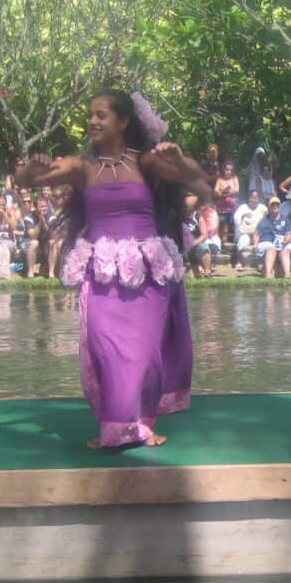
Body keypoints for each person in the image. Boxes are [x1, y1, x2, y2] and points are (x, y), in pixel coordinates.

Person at [15, 89, 198, 448]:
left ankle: (141, 425)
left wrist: (179, 157)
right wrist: (30, 171)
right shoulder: (82, 167)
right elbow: (26, 181)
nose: (93, 122)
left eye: (101, 115)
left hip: (145, 271)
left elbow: (189, 176)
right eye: (91, 116)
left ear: (123, 121)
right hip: (101, 272)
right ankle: (115, 424)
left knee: (144, 354)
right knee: (103, 347)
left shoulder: (143, 163)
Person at [255, 196, 291, 278]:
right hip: (267, 242)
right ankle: (268, 274)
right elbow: (256, 234)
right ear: (269, 207)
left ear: (280, 206)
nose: (275, 206)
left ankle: (287, 275)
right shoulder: (264, 220)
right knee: (271, 249)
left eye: (277, 204)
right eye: (272, 205)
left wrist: (287, 238)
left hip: (282, 243)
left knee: (285, 251)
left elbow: (289, 234)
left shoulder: (286, 220)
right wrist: (255, 245)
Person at [232, 189, 267, 269]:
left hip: (258, 234)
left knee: (263, 243)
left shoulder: (263, 208)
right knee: (243, 241)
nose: (254, 200)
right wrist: (243, 215)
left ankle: (261, 264)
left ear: (259, 199)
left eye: (256, 198)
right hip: (245, 233)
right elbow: (236, 221)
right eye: (252, 198)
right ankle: (239, 261)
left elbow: (267, 220)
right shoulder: (242, 208)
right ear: (248, 198)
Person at [213, 159, 239, 244]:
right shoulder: (219, 180)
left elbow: (236, 190)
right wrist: (226, 191)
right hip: (221, 209)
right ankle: (221, 244)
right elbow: (216, 192)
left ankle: (227, 245)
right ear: (223, 170)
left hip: (232, 209)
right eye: (227, 169)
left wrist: (223, 192)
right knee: (222, 227)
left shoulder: (234, 179)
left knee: (229, 227)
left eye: (231, 170)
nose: (229, 171)